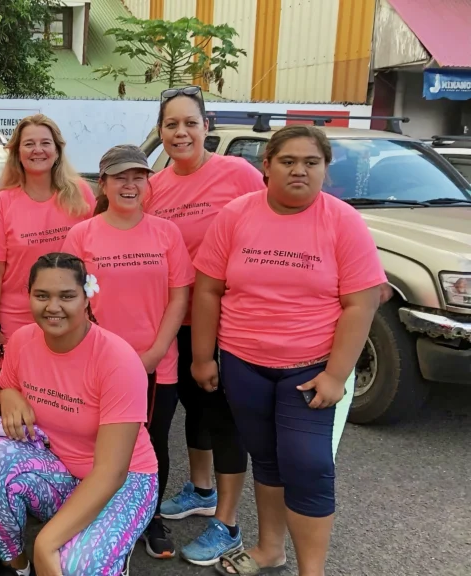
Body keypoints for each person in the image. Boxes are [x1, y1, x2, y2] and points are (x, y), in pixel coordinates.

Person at [191, 126, 384, 575]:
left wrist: (336, 375)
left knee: (308, 465)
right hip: (243, 364)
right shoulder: (236, 215)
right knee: (267, 458)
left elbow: (362, 301)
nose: (299, 170)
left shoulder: (342, 221)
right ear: (267, 166)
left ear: (325, 170)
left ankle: (310, 570)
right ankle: (269, 549)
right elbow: (208, 290)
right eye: (288, 161)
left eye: (311, 163)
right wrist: (203, 357)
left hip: (311, 368)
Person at [0, 252, 159, 576]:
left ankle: (108, 554)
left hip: (124, 480)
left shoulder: (117, 361)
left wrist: (46, 543)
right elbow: (1, 392)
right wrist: (7, 396)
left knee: (72, 565)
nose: (52, 307)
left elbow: (111, 473)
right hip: (58, 469)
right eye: (41, 295)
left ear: (86, 299)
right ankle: (16, 567)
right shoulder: (22, 342)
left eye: (66, 296)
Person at [143, 85, 266, 566]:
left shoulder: (237, 173)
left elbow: (273, 220)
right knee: (194, 409)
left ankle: (229, 524)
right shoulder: (155, 186)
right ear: (161, 132)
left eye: (190, 122)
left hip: (227, 320)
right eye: (171, 124)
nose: (181, 132)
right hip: (179, 320)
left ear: (206, 127)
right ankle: (201, 489)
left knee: (223, 416)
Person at [61, 144, 193, 561]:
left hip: (156, 363)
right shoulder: (82, 234)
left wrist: (154, 353)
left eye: (138, 176)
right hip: (97, 364)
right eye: (120, 177)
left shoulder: (166, 233)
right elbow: (71, 300)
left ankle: (149, 516)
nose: (130, 185)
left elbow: (179, 297)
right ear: (103, 183)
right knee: (96, 443)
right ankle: (92, 511)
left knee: (150, 444)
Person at [0, 114, 95, 370]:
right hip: (17, 320)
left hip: (73, 317)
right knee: (16, 398)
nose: (38, 150)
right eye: (29, 144)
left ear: (57, 150)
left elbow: (95, 260)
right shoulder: (2, 203)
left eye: (45, 143)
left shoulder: (81, 195)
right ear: (17, 152)